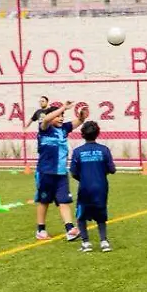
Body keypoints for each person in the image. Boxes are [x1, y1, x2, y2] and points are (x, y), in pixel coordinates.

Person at [33, 102, 81, 242]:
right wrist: (63, 108)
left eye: (62, 116)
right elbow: (47, 119)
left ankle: (70, 229)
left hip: (61, 173)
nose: (61, 118)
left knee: (64, 201)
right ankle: (41, 230)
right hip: (45, 172)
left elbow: (77, 122)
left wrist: (82, 117)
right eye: (58, 116)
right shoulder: (45, 128)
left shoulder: (64, 129)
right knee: (44, 201)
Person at [70, 121, 117, 253]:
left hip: (84, 187)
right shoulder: (104, 150)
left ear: (82, 135)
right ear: (98, 133)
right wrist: (100, 173)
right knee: (101, 214)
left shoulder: (77, 152)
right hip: (101, 187)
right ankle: (104, 242)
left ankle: (86, 243)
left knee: (81, 215)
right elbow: (112, 169)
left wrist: (84, 178)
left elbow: (73, 172)